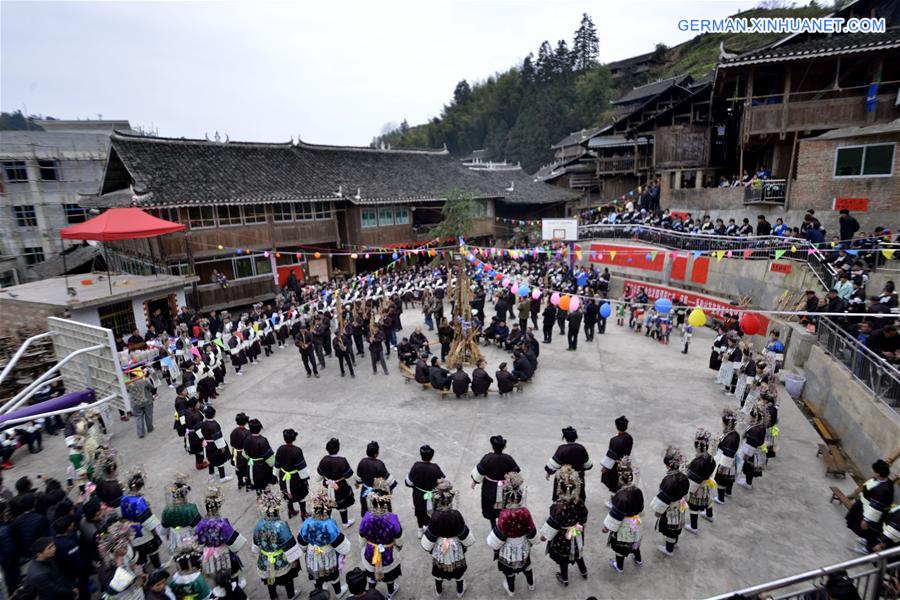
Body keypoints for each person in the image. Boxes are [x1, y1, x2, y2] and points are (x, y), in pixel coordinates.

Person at [420, 479, 475, 598]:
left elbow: (431, 536)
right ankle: (460, 590)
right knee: (458, 570)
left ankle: (438, 590)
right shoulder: (456, 514)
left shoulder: (435, 516)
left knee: (438, 569)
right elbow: (463, 534)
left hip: (440, 546)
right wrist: (465, 545)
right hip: (455, 546)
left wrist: (428, 547)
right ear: (450, 498)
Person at [486, 472, 536, 596]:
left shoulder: (504, 514)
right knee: (526, 564)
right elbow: (531, 531)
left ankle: (511, 590)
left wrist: (494, 545)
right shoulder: (525, 512)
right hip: (523, 544)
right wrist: (533, 541)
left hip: (508, 547)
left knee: (509, 570)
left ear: (506, 497)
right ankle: (531, 584)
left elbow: (500, 535)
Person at [539, 465, 588, 587]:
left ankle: (565, 578)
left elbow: (553, 524)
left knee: (563, 558)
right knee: (577, 551)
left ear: (559, 488)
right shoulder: (579, 502)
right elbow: (584, 518)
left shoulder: (557, 506)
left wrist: (545, 536)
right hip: (576, 532)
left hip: (562, 536)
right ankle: (584, 571)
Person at [299, 489, 352, 597]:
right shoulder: (329, 524)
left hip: (312, 552)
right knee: (332, 574)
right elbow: (339, 542)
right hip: (328, 553)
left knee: (316, 574)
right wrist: (345, 551)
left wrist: (306, 549)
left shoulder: (307, 522)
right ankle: (338, 592)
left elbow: (302, 541)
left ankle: (319, 592)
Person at [252, 490, 302, 600]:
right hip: (281, 560)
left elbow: (255, 545)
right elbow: (289, 545)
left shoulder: (259, 524)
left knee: (270, 581)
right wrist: (294, 561)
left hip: (265, 560)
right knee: (287, 579)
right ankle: (291, 595)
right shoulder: (281, 525)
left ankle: (273, 597)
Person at [194, 485, 247, 586]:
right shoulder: (222, 523)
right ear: (218, 507)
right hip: (223, 551)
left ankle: (220, 588)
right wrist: (236, 549)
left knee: (215, 573)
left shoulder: (201, 524)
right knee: (232, 571)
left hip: (209, 553)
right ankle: (234, 588)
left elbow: (198, 541)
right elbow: (232, 541)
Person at [358, 481, 403, 598]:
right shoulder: (392, 519)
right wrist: (398, 547)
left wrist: (363, 546)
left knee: (371, 571)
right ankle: (390, 591)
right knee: (389, 574)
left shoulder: (367, 517)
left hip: (371, 550)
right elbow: (398, 538)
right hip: (388, 552)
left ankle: (371, 590)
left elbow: (362, 535)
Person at [603, 457, 644, 574]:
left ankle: (619, 567)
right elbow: (641, 508)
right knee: (635, 541)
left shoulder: (620, 496)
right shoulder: (638, 491)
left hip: (623, 525)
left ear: (621, 478)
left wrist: (607, 527)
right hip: (635, 522)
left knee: (621, 545)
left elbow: (615, 515)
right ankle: (638, 559)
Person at [847, 459, 895, 554]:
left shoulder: (882, 490)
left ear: (878, 474)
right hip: (866, 508)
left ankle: (868, 548)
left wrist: (867, 520)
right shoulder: (884, 481)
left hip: (872, 513)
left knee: (869, 529)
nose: (872, 472)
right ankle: (865, 539)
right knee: (866, 529)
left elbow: (876, 507)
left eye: (874, 471)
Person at [471, 435, 520, 528]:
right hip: (505, 488)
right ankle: (503, 524)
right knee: (505, 506)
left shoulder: (487, 458)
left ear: (492, 446)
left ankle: (493, 526)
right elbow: (516, 471)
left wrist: (474, 481)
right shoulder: (508, 458)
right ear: (503, 447)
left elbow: (480, 472)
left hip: (489, 488)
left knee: (490, 507)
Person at [119, 467, 164, 568]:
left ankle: (143, 568)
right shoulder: (139, 501)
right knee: (153, 551)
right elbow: (148, 521)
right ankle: (158, 567)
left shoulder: (124, 499)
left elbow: (122, 516)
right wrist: (155, 533)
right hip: (143, 531)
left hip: (131, 531)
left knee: (140, 553)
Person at [650, 447, 689, 557]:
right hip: (680, 505)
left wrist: (658, 511)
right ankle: (674, 543)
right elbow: (686, 492)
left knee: (670, 528)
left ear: (668, 465)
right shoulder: (684, 477)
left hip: (671, 508)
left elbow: (663, 498)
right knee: (677, 525)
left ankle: (669, 549)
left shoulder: (668, 480)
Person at [405, 444, 445, 539]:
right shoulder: (435, 468)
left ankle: (420, 529)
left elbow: (409, 482)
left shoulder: (416, 465)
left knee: (419, 511)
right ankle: (428, 528)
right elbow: (442, 481)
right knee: (430, 511)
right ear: (431, 456)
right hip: (431, 495)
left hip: (418, 494)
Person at [544, 426, 592, 501]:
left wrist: (548, 473)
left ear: (565, 438)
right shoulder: (581, 448)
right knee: (578, 494)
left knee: (561, 495)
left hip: (564, 478)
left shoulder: (562, 449)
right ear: (576, 437)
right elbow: (588, 465)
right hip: (578, 478)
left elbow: (554, 465)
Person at [317, 437, 356, 527]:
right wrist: (354, 484)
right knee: (342, 505)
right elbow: (349, 476)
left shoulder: (324, 460)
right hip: (340, 487)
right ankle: (345, 523)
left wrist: (319, 479)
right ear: (338, 448)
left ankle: (328, 521)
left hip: (327, 485)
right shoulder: (342, 461)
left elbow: (319, 474)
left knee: (328, 503)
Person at [684, 428, 716, 535]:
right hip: (706, 485)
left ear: (698, 447)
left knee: (693, 506)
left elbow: (694, 482)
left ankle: (694, 527)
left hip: (697, 488)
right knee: (708, 500)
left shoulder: (698, 463)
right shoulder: (710, 458)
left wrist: (688, 492)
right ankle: (709, 515)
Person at [274, 428, 311, 519]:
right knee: (301, 495)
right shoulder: (297, 451)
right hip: (295, 478)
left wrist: (276, 475)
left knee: (287, 493)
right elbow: (301, 468)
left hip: (283, 476)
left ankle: (291, 511)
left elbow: (277, 464)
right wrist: (305, 479)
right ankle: (303, 513)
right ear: (294, 438)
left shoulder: (280, 449)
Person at [355, 441, 397, 517]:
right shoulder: (379, 464)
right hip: (379, 494)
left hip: (365, 493)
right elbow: (390, 482)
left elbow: (358, 480)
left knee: (367, 512)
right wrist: (390, 489)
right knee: (382, 513)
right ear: (376, 453)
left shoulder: (362, 462)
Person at [600, 416, 633, 506]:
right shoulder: (629, 437)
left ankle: (614, 502)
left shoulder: (615, 440)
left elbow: (610, 457)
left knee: (614, 483)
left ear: (616, 426)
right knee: (624, 482)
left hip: (616, 465)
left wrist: (604, 467)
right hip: (626, 463)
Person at [199, 405, 234, 483]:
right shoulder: (214, 425)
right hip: (215, 445)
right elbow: (218, 438)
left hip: (207, 445)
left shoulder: (204, 423)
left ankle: (211, 474)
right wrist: (222, 447)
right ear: (214, 414)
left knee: (210, 459)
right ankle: (222, 477)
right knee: (220, 460)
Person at [714, 409, 741, 505]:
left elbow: (727, 454)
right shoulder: (734, 434)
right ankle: (728, 492)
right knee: (730, 477)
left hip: (726, 462)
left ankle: (720, 498)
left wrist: (718, 444)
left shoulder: (730, 438)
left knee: (721, 479)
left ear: (726, 424)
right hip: (731, 461)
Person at [244, 418, 276, 494]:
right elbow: (268, 457)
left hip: (250, 465)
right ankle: (267, 499)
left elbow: (244, 454)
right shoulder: (262, 440)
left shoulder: (247, 438)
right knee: (265, 483)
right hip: (261, 466)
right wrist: (273, 464)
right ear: (260, 428)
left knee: (256, 483)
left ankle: (259, 495)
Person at [230, 412, 252, 491]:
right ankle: (248, 484)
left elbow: (232, 443)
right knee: (246, 469)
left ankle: (240, 482)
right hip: (244, 454)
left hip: (235, 452)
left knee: (238, 468)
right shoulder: (247, 433)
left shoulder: (233, 432)